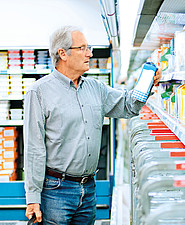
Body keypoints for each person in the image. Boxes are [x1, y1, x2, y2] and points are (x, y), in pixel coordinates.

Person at [24, 25, 162, 224]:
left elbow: (127, 105)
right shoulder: (38, 92)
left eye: (89, 48)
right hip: (55, 191)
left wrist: (147, 84)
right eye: (83, 48)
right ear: (63, 53)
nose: (89, 53)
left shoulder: (95, 88)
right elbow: (34, 149)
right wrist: (33, 198)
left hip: (88, 189)